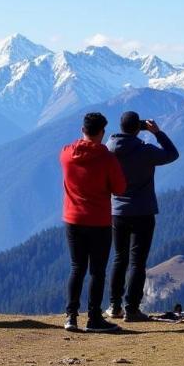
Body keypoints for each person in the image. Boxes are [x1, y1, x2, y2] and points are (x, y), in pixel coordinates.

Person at [106, 112, 180, 322]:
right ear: (138, 128)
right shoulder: (145, 151)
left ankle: (114, 306)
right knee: (137, 262)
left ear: (120, 126)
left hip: (118, 211)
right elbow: (172, 154)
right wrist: (158, 133)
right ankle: (132, 309)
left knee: (119, 259)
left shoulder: (109, 150)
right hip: (143, 211)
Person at [60, 113, 126, 333]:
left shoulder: (66, 154)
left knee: (76, 267)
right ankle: (94, 319)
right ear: (102, 132)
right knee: (97, 271)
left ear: (82, 129)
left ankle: (71, 317)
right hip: (98, 221)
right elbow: (119, 188)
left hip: (72, 219)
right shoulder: (107, 159)